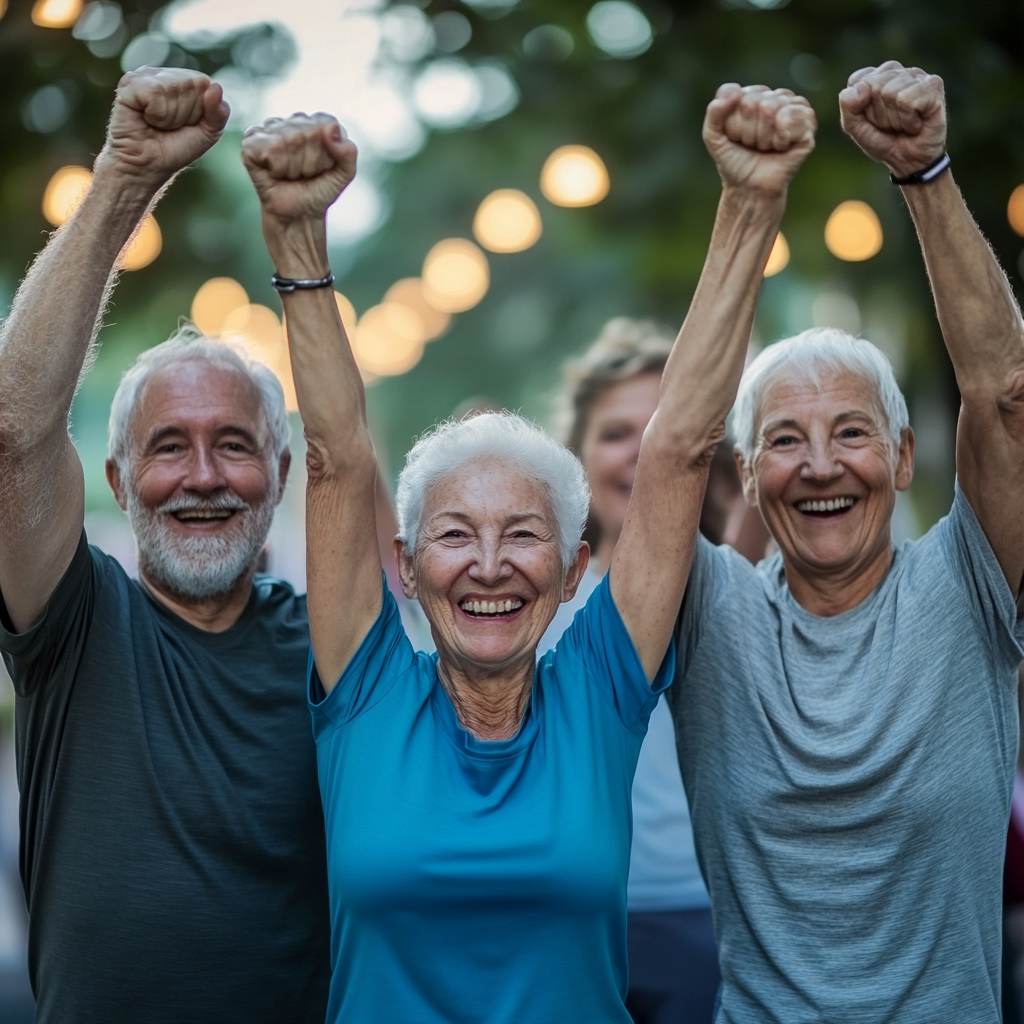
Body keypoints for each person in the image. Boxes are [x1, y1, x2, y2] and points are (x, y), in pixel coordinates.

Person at [239, 80, 815, 1022]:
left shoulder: (600, 686)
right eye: (456, 536)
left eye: (523, 536)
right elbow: (342, 462)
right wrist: (298, 241)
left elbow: (675, 452)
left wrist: (750, 206)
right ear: (410, 568)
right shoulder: (368, 687)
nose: (491, 564)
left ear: (575, 567)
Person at [667, 62, 1024, 1022]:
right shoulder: (712, 613)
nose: (820, 464)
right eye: (783, 440)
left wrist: (928, 172)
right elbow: (669, 453)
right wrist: (748, 204)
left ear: (904, 458)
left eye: (852, 433)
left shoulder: (968, 589)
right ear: (745, 476)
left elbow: (1004, 393)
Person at [0, 69, 331, 1023]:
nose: (201, 477)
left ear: (277, 472)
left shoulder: (339, 647)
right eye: (166, 448)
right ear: (114, 483)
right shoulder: (73, 624)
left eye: (233, 446)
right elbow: (17, 429)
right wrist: (124, 179)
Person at [540, 318, 766, 1024]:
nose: (645, 456)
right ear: (574, 453)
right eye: (615, 433)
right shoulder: (526, 603)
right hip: (567, 920)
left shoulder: (743, 584)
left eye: (665, 432)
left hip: (709, 922)